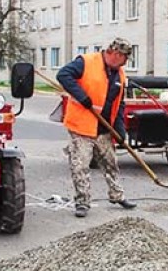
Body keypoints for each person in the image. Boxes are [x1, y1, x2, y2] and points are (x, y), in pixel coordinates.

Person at [56, 38, 137, 217]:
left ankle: (117, 196)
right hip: (82, 126)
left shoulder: (120, 74)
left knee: (111, 163)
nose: (125, 63)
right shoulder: (85, 62)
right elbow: (63, 75)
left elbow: (119, 104)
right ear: (116, 54)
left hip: (104, 128)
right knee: (81, 165)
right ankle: (82, 202)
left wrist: (120, 130)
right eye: (125, 58)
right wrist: (82, 96)